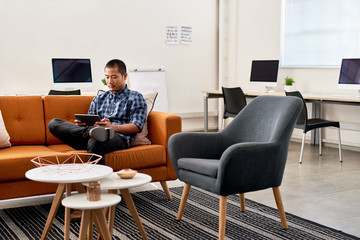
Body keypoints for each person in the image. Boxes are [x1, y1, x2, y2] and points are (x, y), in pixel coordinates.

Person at [48, 59, 147, 165]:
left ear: (125, 76)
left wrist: (111, 127)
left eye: (114, 77)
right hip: (91, 133)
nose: (110, 81)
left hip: (118, 137)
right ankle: (90, 133)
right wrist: (83, 124)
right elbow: (91, 119)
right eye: (107, 77)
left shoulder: (135, 97)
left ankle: (96, 181)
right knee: (54, 123)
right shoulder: (99, 99)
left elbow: (136, 126)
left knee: (96, 140)